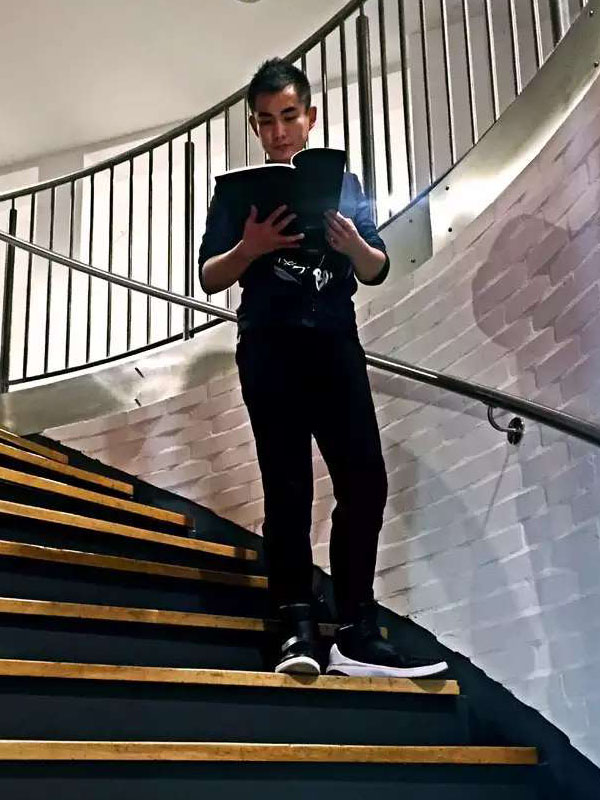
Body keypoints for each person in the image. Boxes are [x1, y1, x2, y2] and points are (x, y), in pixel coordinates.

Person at [199, 58, 447, 679]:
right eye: (266, 121)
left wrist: (351, 243)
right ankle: (296, 626)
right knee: (287, 487)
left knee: (365, 480)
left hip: (335, 344)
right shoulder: (236, 193)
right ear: (255, 127)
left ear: (310, 117)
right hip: (269, 346)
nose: (279, 131)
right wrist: (250, 247)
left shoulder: (345, 185)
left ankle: (357, 627)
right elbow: (209, 275)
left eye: (289, 116)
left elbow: (376, 267)